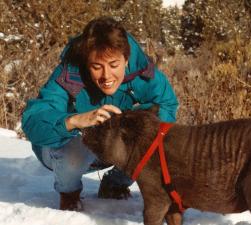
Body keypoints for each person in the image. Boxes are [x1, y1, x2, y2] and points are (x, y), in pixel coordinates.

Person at [21, 17, 178, 211]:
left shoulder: (144, 75)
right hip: (63, 150)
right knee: (74, 154)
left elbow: (167, 108)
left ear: (126, 60)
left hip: (112, 149)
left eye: (114, 65)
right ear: (87, 63)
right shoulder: (69, 73)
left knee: (153, 139)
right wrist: (74, 121)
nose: (106, 76)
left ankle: (115, 184)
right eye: (96, 67)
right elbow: (32, 122)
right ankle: (69, 193)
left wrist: (135, 122)